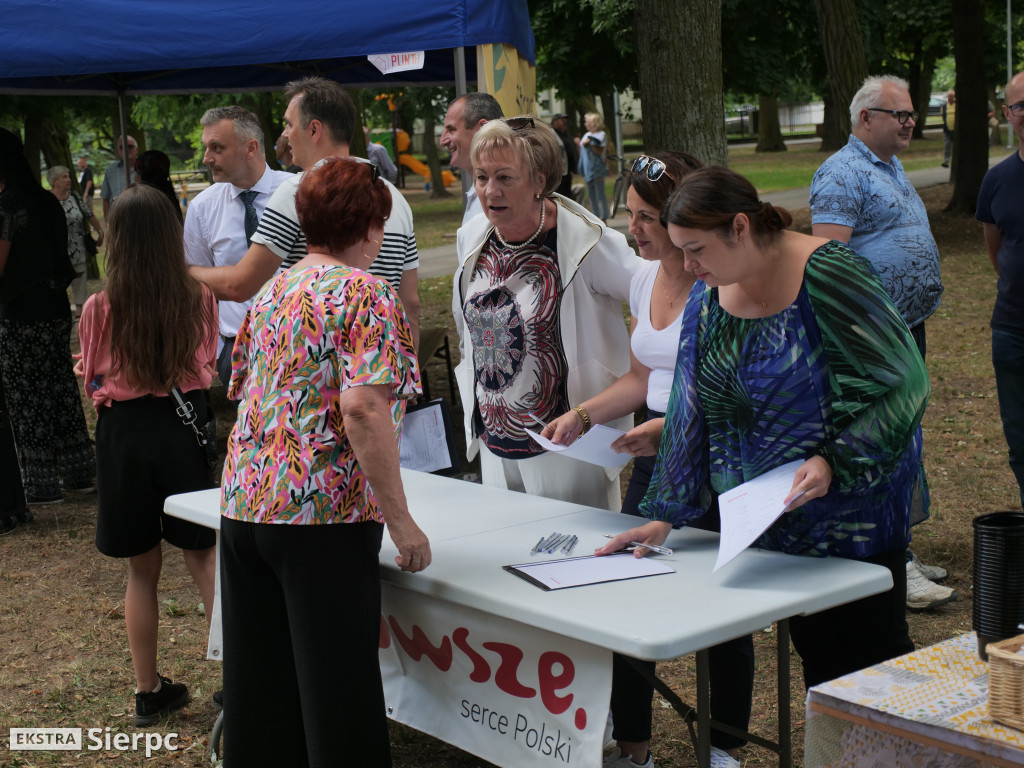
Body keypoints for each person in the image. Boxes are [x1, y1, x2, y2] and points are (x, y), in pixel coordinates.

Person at [601, 167, 928, 767]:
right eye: (682, 253)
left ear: (742, 228)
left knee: (866, 660)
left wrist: (834, 459)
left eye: (696, 250)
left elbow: (901, 384)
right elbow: (692, 404)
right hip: (774, 514)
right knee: (819, 659)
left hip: (852, 512)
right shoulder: (709, 295)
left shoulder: (829, 273)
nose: (689, 267)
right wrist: (664, 516)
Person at [542, 151, 752, 768]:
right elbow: (641, 374)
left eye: (647, 218)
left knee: (723, 606)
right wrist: (584, 414)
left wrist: (671, 427)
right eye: (630, 215)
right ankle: (635, 746)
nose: (634, 230)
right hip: (651, 451)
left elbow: (730, 387)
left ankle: (725, 750)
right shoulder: (642, 277)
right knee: (627, 588)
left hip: (711, 452)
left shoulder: (723, 283)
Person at [219, 157, 430, 767]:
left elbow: (250, 394)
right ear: (369, 227)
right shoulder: (367, 294)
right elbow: (364, 408)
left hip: (246, 503)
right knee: (338, 696)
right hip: (321, 515)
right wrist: (401, 520)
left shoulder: (271, 293)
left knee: (262, 694)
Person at [809, 74, 952, 610]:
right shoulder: (841, 174)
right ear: (866, 118)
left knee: (907, 438)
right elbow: (828, 264)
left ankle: (902, 545)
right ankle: (896, 562)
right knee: (885, 442)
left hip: (905, 329)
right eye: (901, 114)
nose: (911, 122)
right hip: (870, 341)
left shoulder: (888, 167)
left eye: (913, 114)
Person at [76, 183, 217, 727]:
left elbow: (92, 374)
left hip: (125, 434)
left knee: (142, 569)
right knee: (203, 557)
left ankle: (147, 689)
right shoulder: (198, 296)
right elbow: (207, 364)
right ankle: (238, 680)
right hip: (182, 426)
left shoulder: (98, 305)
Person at [454, 116, 640, 511]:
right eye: (482, 177)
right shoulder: (472, 236)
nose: (490, 191)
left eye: (505, 177)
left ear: (539, 181)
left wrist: (638, 373)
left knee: (572, 558)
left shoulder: (586, 240)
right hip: (494, 440)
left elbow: (651, 292)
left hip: (567, 446)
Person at [189, 76, 421, 350]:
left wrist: (178, 273)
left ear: (314, 129)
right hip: (379, 365)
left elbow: (240, 285)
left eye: (289, 124)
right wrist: (408, 380)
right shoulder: (394, 197)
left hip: (315, 370)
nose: (285, 134)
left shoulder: (297, 191)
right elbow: (410, 303)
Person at [0, 128, 95, 505]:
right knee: (58, 388)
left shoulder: (7, 206)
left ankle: (40, 484)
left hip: (21, 314)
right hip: (54, 310)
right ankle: (78, 472)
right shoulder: (44, 200)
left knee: (26, 395)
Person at [184, 106, 293, 388]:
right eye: (206, 147)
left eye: (217, 148)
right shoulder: (202, 208)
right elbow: (198, 288)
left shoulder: (299, 192)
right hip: (237, 351)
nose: (207, 158)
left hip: (300, 341)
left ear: (250, 148)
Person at [976, 71, 1024, 507]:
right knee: (1021, 439)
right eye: (1020, 106)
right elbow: (997, 248)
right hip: (1012, 330)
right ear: (1007, 114)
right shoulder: (998, 179)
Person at [47, 165, 104, 315]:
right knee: (57, 290)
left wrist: (100, 231)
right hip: (56, 255)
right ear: (54, 181)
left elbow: (89, 215)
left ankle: (79, 321)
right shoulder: (46, 200)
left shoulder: (75, 197)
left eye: (68, 176)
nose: (69, 180)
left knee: (80, 290)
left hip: (78, 251)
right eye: (64, 177)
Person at [439, 92, 503, 224]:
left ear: (482, 129)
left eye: (451, 130)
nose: (442, 141)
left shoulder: (502, 197)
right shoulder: (483, 193)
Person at [134, 149, 182, 223]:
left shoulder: (137, 203)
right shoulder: (170, 200)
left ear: (142, 177)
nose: (135, 177)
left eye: (137, 173)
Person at [579, 112, 609, 222]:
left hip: (597, 169)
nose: (585, 123)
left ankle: (604, 217)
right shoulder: (586, 135)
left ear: (593, 123)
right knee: (591, 195)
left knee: (600, 194)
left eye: (587, 121)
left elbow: (599, 152)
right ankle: (596, 217)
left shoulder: (601, 135)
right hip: (587, 169)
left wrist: (590, 143)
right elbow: (582, 152)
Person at [100, 135, 138, 217]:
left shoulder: (144, 167)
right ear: (118, 151)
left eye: (130, 146)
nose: (126, 149)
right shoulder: (110, 170)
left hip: (140, 218)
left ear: (136, 149)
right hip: (118, 219)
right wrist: (108, 223)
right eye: (122, 147)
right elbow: (105, 199)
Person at [550, 113, 579, 198]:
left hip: (566, 173)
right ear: (555, 122)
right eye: (561, 120)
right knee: (560, 196)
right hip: (560, 173)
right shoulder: (551, 134)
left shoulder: (563, 134)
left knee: (567, 196)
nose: (564, 122)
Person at [941, 89, 956, 168]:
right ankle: (946, 161)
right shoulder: (944, 106)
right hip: (947, 130)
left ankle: (956, 160)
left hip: (956, 130)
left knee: (956, 146)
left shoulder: (957, 105)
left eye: (952, 96)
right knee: (947, 145)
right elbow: (942, 117)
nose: (950, 97)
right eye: (949, 96)